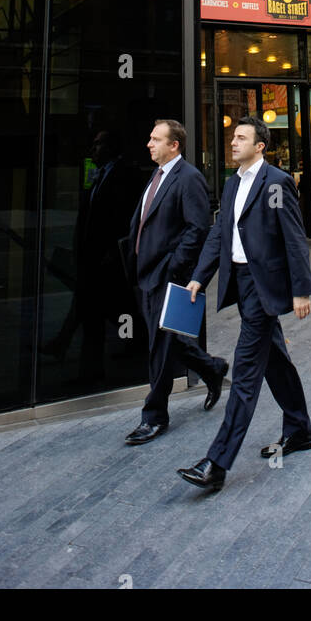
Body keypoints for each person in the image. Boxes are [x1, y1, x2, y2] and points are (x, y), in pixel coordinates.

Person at [177, 115, 311, 494]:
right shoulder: (231, 183)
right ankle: (300, 430)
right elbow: (219, 234)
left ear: (260, 146)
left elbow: (295, 239)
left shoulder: (277, 183)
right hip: (243, 284)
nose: (232, 142)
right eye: (232, 137)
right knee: (276, 361)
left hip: (265, 286)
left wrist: (301, 290)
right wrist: (199, 276)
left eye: (241, 137)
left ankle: (217, 463)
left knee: (247, 372)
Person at [121, 120, 229, 446]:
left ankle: (154, 417)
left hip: (167, 276)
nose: (149, 144)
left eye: (156, 139)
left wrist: (174, 268)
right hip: (145, 274)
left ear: (174, 145)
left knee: (159, 346)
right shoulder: (157, 175)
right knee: (166, 339)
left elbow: (198, 229)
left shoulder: (189, 178)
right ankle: (212, 368)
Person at [41, 130, 136, 383]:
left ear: (110, 148)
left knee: (95, 311)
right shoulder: (100, 174)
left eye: (98, 144)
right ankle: (68, 349)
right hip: (91, 256)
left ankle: (89, 366)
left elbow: (121, 217)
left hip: (105, 259)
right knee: (91, 306)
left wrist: (111, 253)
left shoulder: (120, 175)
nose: (92, 149)